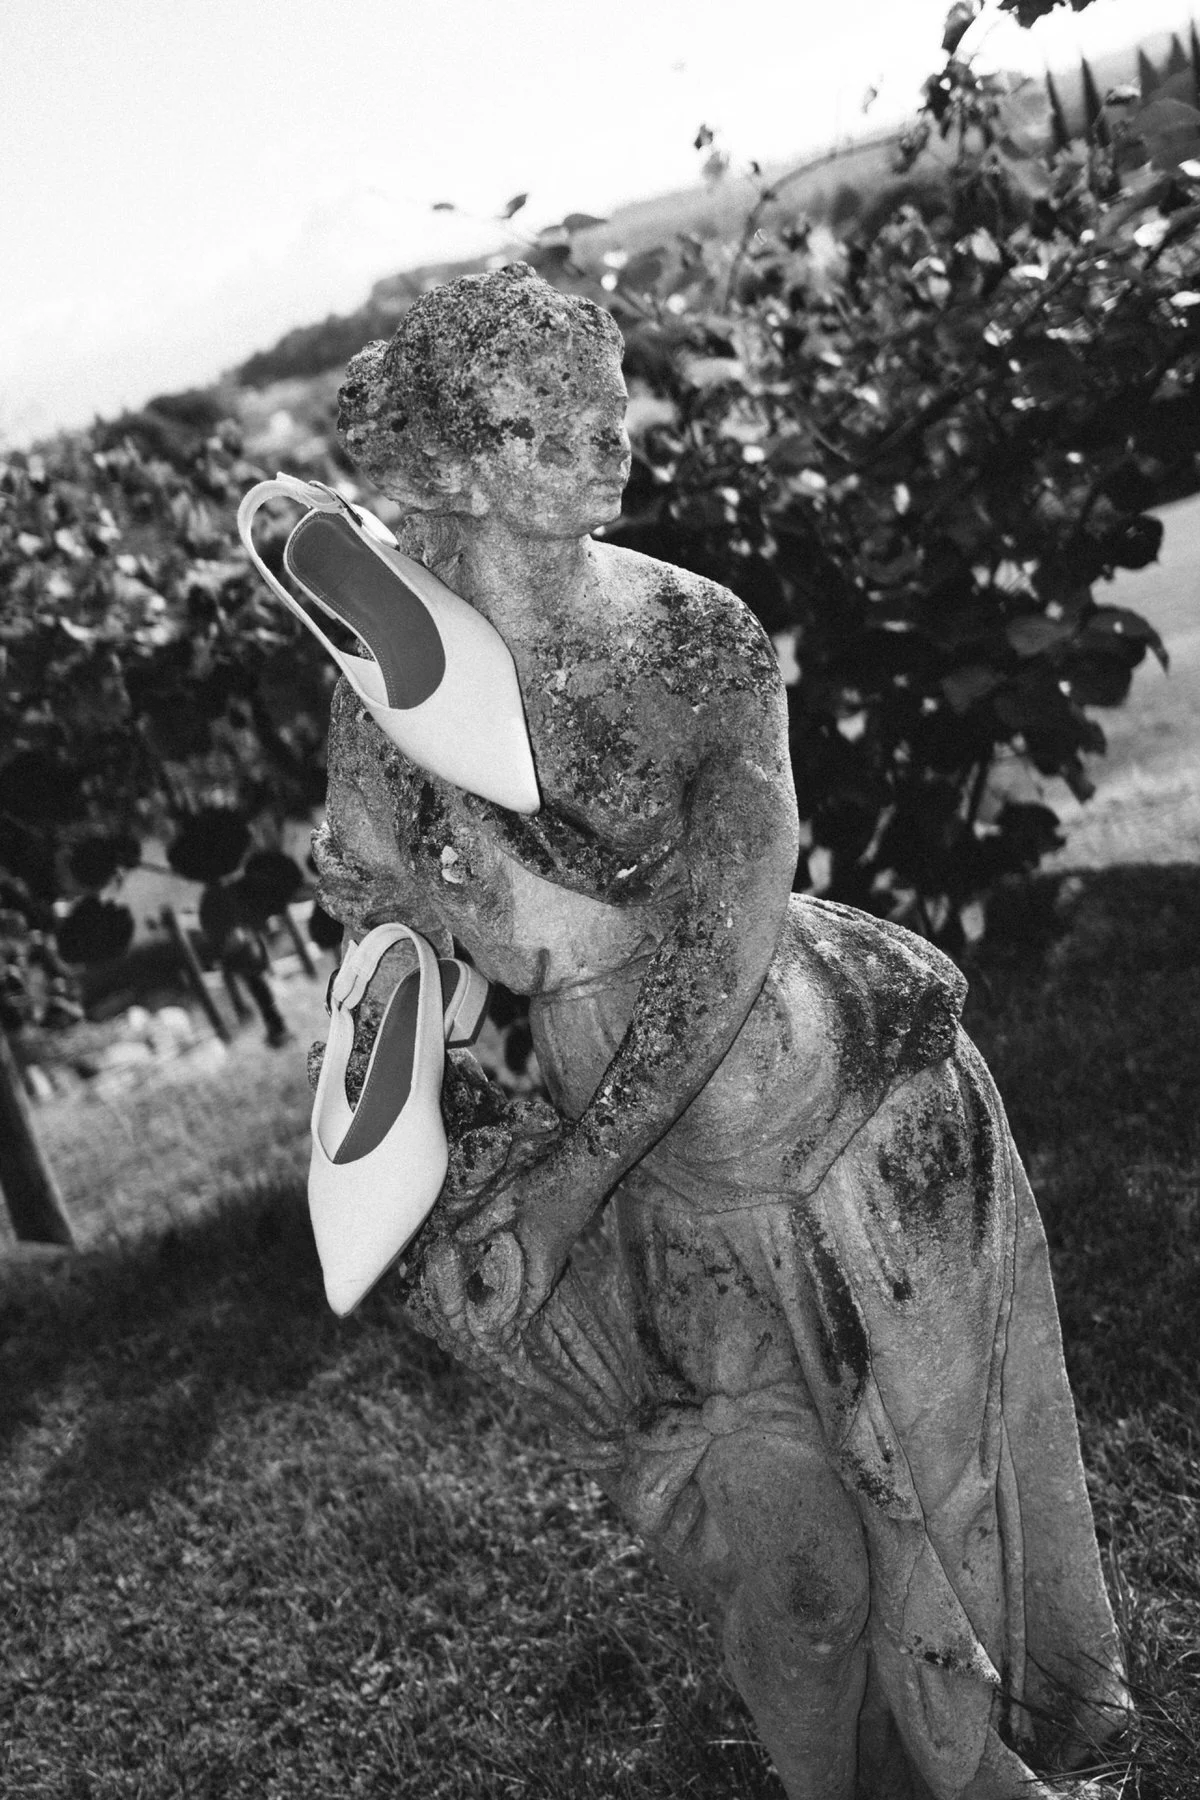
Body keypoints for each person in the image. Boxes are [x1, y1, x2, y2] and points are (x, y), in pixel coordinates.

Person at [315, 262, 1127, 1800]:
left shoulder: (693, 640)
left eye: (606, 406)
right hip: (662, 1196)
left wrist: (566, 1186)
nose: (601, 441)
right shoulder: (386, 685)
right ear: (457, 462)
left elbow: (723, 935)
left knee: (943, 1505)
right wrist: (388, 914)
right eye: (542, 421)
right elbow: (405, 937)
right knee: (800, 1586)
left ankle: (991, 1771)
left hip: (841, 1137)